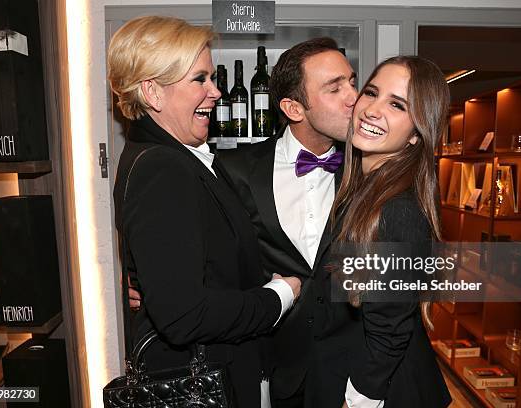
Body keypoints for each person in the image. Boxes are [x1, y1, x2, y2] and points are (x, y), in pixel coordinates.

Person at [108, 16, 301, 408]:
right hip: (206, 383)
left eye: (212, 78)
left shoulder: (175, 157)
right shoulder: (161, 168)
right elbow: (184, 316)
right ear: (153, 92)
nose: (215, 92)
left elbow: (204, 268)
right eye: (200, 79)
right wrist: (279, 295)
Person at [218, 37, 358, 407]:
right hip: (273, 366)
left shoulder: (369, 172)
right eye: (335, 87)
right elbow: (218, 260)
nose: (354, 97)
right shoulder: (235, 170)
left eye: (352, 82)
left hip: (351, 374)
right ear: (293, 107)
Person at [321, 55, 453, 407]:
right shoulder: (361, 189)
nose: (372, 110)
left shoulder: (398, 210)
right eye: (371, 93)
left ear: (416, 134)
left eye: (396, 105)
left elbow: (388, 333)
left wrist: (357, 400)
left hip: (388, 389)